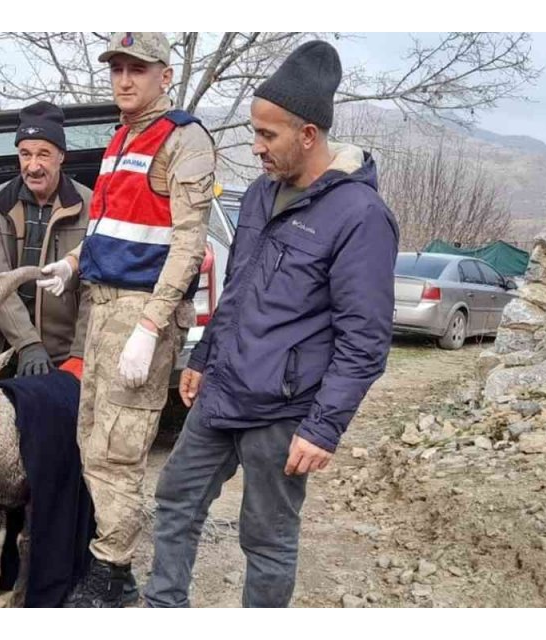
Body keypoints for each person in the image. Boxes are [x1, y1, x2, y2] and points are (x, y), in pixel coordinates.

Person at [143, 41, 400, 608]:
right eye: (253, 132)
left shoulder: (360, 216)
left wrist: (322, 428)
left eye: (267, 135)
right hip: (222, 391)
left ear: (307, 134)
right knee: (175, 499)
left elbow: (365, 341)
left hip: (283, 412)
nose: (255, 147)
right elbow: (239, 287)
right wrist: (204, 357)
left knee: (266, 539)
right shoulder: (261, 195)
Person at [37, 32, 216, 608]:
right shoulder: (121, 138)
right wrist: (71, 263)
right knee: (92, 439)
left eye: (136, 69)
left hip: (141, 311)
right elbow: (107, 228)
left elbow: (189, 246)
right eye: (116, 68)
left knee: (119, 447)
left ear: (165, 75)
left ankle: (112, 574)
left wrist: (150, 326)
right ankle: (106, 560)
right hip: (101, 307)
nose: (123, 79)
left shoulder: (183, 139)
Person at [0, 101, 92, 377]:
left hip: (64, 354)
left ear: (61, 156)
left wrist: (80, 354)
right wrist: (28, 344)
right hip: (1, 352)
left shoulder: (90, 205)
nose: (33, 166)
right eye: (25, 154)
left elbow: (93, 288)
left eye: (43, 154)